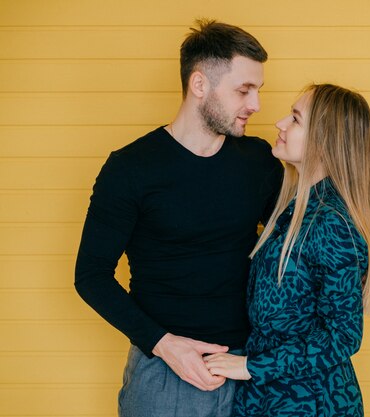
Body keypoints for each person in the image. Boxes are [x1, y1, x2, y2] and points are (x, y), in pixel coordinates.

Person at [74, 19, 283, 417]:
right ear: (199, 85)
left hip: (250, 369)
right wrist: (164, 344)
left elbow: (294, 247)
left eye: (258, 91)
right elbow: (91, 275)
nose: (255, 105)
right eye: (244, 90)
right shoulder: (130, 168)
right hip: (163, 374)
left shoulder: (258, 161)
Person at [204, 83, 370, 416]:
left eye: (295, 119)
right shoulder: (294, 211)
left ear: (325, 140)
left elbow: (343, 336)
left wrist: (250, 367)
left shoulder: (333, 223)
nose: (280, 124)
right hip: (267, 397)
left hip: (311, 401)